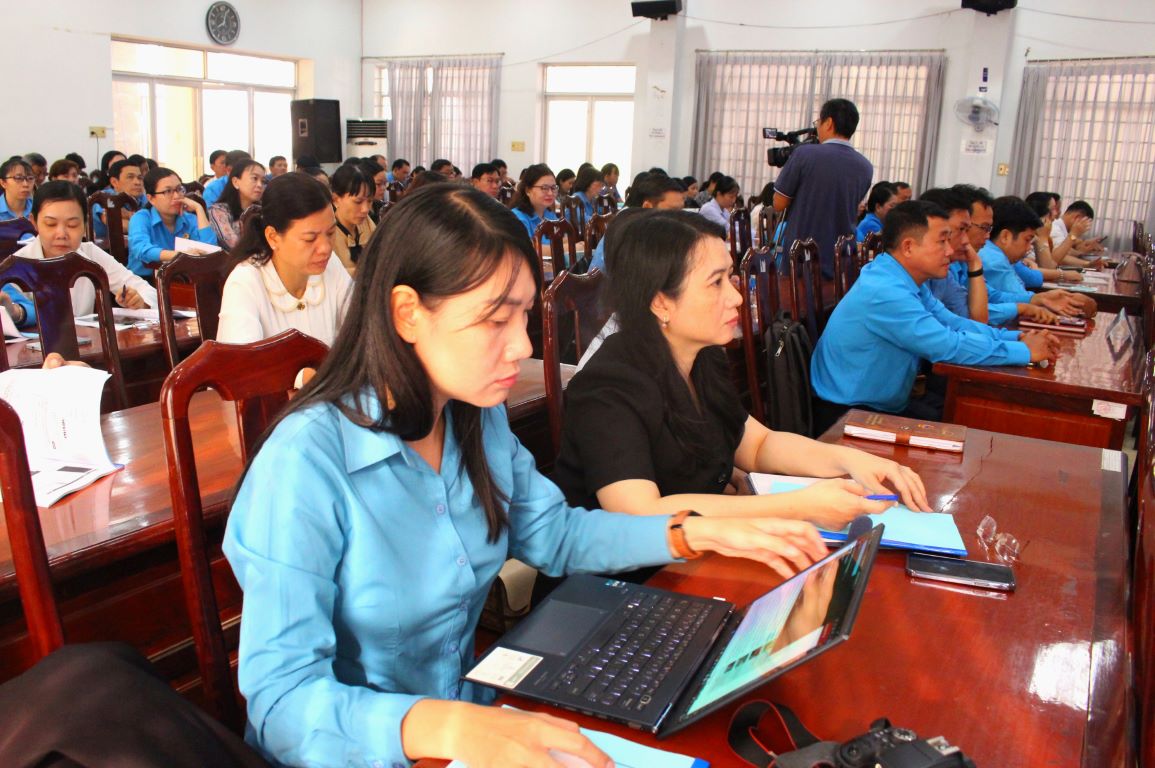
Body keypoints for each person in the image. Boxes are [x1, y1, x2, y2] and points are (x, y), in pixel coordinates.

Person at [222, 183, 828, 768]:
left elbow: (556, 534)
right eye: (495, 320)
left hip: (476, 722)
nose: (521, 346)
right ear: (408, 312)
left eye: (525, 317)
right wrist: (451, 725)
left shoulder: (473, 418)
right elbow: (281, 703)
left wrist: (687, 534)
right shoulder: (307, 461)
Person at [553, 209, 929, 571]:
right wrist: (798, 506)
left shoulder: (702, 357)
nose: (735, 297)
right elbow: (639, 512)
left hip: (703, 555)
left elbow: (758, 445)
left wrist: (852, 460)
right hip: (625, 581)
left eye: (730, 277)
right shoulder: (608, 386)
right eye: (715, 283)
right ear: (660, 302)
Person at [810, 200, 1059, 432]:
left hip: (881, 404)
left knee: (966, 418)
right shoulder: (886, 291)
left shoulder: (905, 279)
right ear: (908, 246)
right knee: (968, 426)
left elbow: (954, 323)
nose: (950, 250)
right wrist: (1024, 352)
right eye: (942, 241)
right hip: (849, 416)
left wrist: (1018, 338)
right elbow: (947, 346)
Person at [217, 172, 352, 345]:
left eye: (331, 233)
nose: (326, 248)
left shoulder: (330, 264)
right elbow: (242, 367)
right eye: (310, 239)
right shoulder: (245, 282)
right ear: (273, 237)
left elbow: (360, 328)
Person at [14, 181, 156, 318]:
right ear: (34, 222)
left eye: (72, 225)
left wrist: (139, 302)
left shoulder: (91, 254)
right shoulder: (17, 265)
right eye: (51, 224)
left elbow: (148, 292)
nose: (61, 234)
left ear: (85, 224)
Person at [923, 187, 1056, 327]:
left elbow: (977, 309)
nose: (988, 236)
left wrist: (1035, 301)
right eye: (962, 229)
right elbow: (961, 324)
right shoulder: (989, 258)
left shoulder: (957, 262)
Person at [772, 98, 873, 277]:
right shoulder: (865, 166)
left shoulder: (804, 154)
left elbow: (779, 204)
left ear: (828, 123)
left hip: (802, 255)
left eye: (818, 122)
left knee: (797, 302)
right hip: (840, 258)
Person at [979, 196, 1096, 317]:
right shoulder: (993, 259)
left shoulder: (999, 256)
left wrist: (1041, 298)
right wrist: (1041, 300)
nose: (1029, 247)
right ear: (1005, 237)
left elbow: (997, 297)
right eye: (1027, 240)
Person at [127, 168, 217, 278]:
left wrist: (199, 209)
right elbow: (141, 249)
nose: (177, 196)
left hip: (181, 281)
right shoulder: (141, 218)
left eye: (179, 189)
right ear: (151, 198)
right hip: (145, 282)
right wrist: (181, 256)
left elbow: (211, 252)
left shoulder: (189, 219)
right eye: (168, 191)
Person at [587, 174, 685, 274]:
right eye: (673, 211)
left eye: (681, 211)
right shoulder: (628, 233)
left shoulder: (658, 232)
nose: (679, 218)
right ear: (647, 206)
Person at [208, 158, 267, 249]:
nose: (260, 185)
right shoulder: (219, 210)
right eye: (254, 178)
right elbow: (233, 245)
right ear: (235, 182)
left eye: (263, 181)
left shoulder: (262, 209)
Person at [329, 163, 376, 274]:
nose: (365, 209)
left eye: (369, 201)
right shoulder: (327, 231)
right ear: (336, 199)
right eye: (358, 202)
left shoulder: (367, 222)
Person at [92, 158, 146, 240]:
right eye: (130, 177)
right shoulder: (103, 198)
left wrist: (127, 215)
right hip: (106, 250)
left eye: (140, 178)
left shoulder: (144, 198)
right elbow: (116, 224)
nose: (137, 182)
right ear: (114, 182)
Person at [509, 163, 560, 242]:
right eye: (544, 188)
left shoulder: (550, 215)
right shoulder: (517, 217)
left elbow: (561, 239)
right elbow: (529, 249)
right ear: (528, 190)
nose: (550, 193)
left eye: (553, 188)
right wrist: (568, 248)